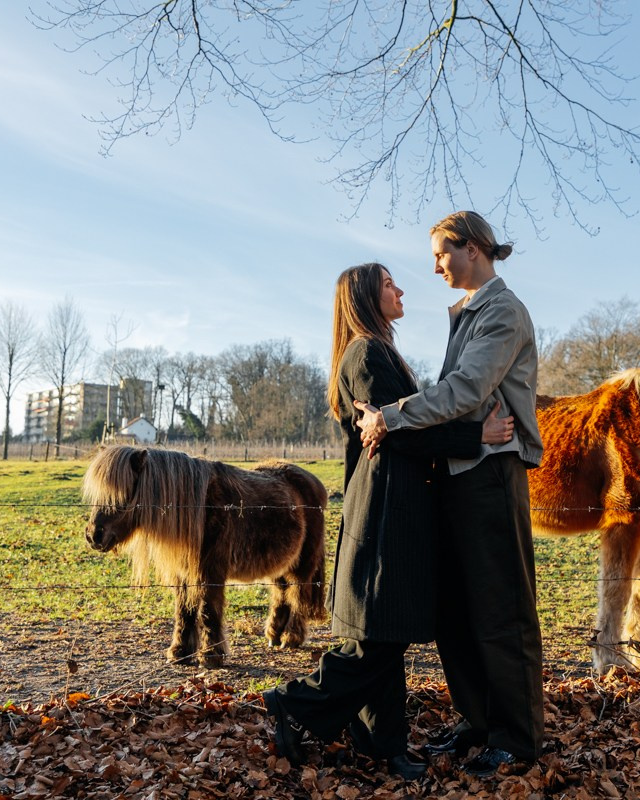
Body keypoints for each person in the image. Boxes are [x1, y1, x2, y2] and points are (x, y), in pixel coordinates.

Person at [262, 262, 514, 780]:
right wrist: (476, 439)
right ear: (365, 298)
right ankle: (292, 703)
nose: (400, 289)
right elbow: (400, 434)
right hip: (387, 514)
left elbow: (400, 427)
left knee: (382, 635)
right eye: (388, 284)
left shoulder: (374, 350)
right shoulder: (367, 353)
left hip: (390, 507)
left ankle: (384, 745)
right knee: (382, 639)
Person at [354, 210, 544, 778]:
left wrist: (390, 416)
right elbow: (451, 394)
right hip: (462, 473)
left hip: (492, 475)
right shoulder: (467, 315)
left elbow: (463, 391)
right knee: (458, 612)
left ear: (474, 249)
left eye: (442, 252)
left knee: (500, 611)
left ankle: (517, 737)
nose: (435, 265)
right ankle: (479, 723)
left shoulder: (503, 311)